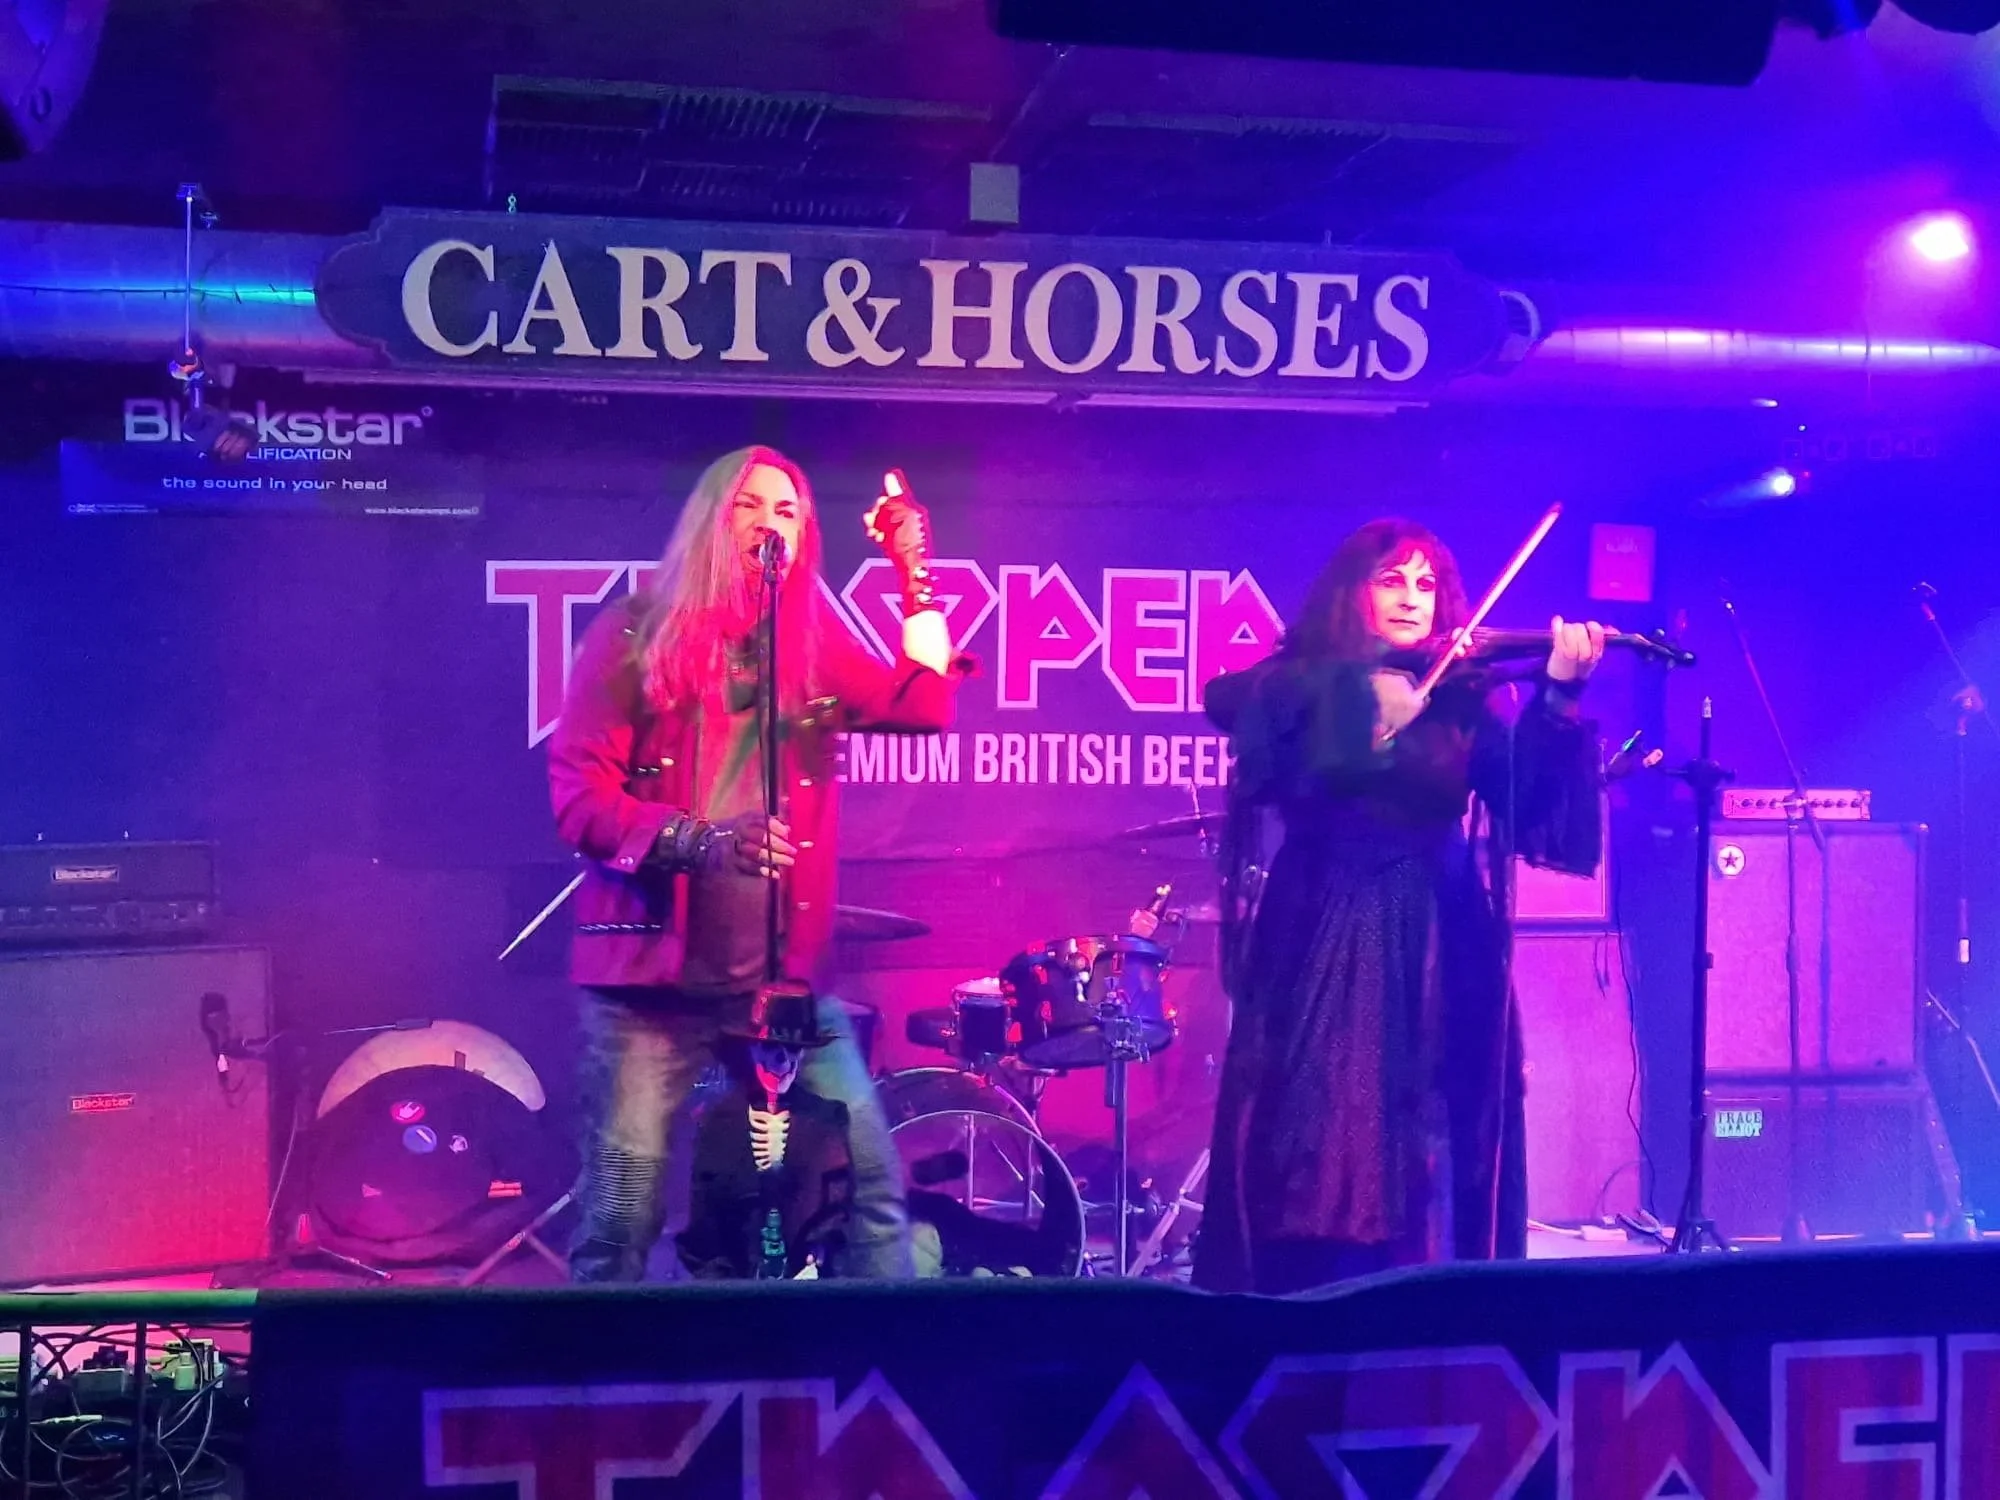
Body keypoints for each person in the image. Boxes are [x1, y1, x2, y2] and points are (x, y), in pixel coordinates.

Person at [548, 444, 965, 1282]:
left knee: (870, 1193)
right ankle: (594, 1397)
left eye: (787, 511)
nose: (769, 523)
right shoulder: (635, 631)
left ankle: (891, 1381)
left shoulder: (807, 643)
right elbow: (579, 802)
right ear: (713, 520)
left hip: (779, 982)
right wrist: (696, 841)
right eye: (750, 505)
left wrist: (915, 574)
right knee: (620, 1216)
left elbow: (922, 707)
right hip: (648, 985)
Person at [1192, 518, 1605, 1295]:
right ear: (1355, 592)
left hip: (1443, 934)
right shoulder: (1302, 678)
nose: (1413, 598)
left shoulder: (1461, 696)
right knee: (1325, 1125)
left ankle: (1434, 1308)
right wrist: (1355, 694)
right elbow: (1230, 697)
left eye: (1426, 584)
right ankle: (1311, 1307)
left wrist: (1558, 699)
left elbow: (1529, 805)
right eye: (1393, 580)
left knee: (1440, 1120)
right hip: (1326, 925)